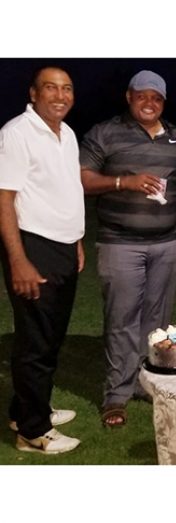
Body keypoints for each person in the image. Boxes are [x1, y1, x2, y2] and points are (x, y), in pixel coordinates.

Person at [80, 70, 176, 428]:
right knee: (122, 319)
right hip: (120, 243)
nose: (150, 103)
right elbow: (81, 178)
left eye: (157, 98)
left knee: (157, 320)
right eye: (142, 96)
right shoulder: (104, 133)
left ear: (164, 102)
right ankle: (117, 393)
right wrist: (123, 181)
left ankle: (149, 382)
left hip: (166, 242)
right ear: (129, 97)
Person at [0, 66, 83, 454]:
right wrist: (18, 260)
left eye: (66, 89)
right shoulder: (17, 133)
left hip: (64, 246)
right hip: (34, 246)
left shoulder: (66, 133)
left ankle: (26, 410)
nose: (60, 95)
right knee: (35, 341)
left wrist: (77, 242)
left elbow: (65, 191)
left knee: (49, 337)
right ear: (33, 93)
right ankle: (32, 433)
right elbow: (4, 200)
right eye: (51, 88)